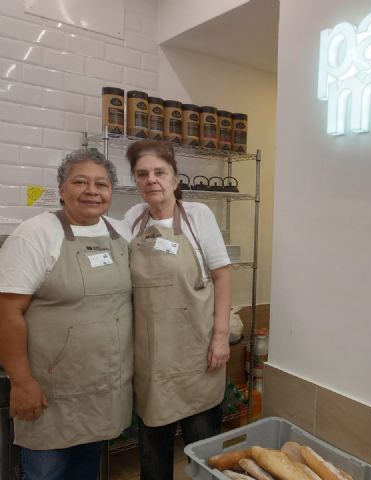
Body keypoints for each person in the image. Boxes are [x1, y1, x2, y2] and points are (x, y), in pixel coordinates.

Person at [0, 149, 133, 480]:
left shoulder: (121, 233)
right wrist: (22, 382)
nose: (92, 191)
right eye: (80, 182)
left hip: (103, 390)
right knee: (45, 474)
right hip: (51, 394)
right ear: (61, 189)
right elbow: (7, 312)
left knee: (86, 471)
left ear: (111, 192)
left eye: (101, 184)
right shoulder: (36, 234)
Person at [123, 139, 232, 479]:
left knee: (203, 452)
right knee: (153, 453)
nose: (151, 180)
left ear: (175, 178)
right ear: (135, 181)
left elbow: (222, 276)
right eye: (142, 174)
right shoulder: (133, 219)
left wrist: (220, 337)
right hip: (152, 358)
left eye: (160, 172)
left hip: (196, 352)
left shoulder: (198, 215)